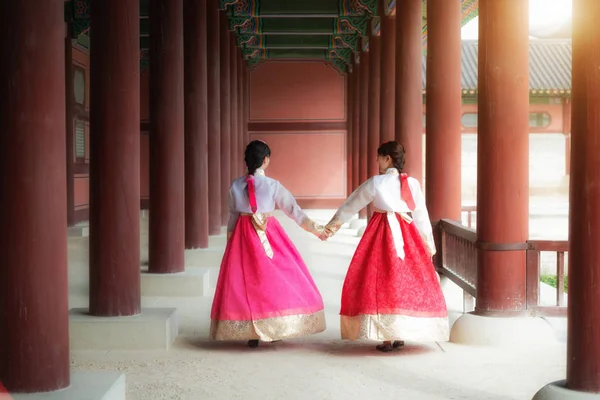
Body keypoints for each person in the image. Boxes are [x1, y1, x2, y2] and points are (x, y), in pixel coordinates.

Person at [320, 141, 449, 352]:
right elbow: (421, 216)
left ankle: (386, 338)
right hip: (407, 235)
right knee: (404, 282)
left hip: (381, 234)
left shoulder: (377, 183)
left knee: (381, 281)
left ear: (387, 158)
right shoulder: (413, 184)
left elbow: (352, 204)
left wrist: (331, 227)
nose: (377, 161)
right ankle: (399, 334)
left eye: (379, 157)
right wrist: (427, 245)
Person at [210, 140, 326, 348]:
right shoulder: (273, 185)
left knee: (246, 280)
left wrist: (230, 241)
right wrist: (315, 229)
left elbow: (233, 216)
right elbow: (293, 210)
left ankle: (252, 331)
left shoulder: (236, 185)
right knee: (274, 276)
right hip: (267, 232)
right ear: (265, 160)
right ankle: (274, 324)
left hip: (242, 235)